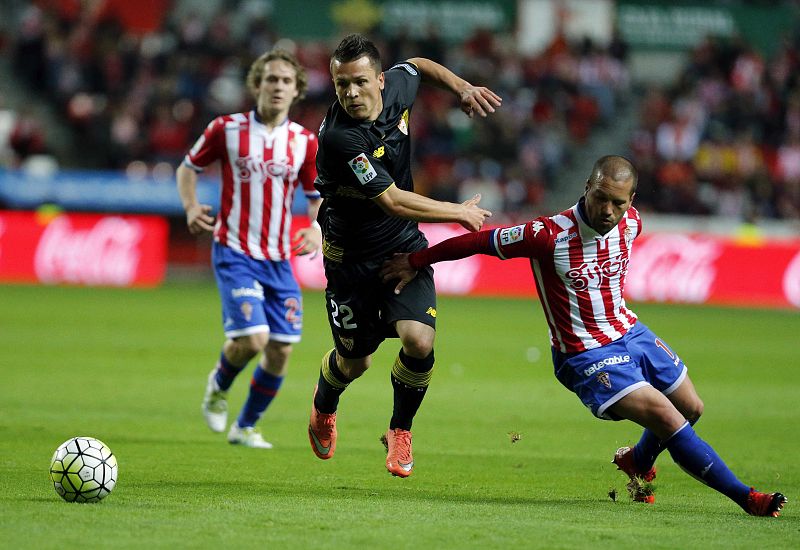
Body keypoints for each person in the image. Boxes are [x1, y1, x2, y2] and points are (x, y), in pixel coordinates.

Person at [380, 155, 787, 516]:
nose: (609, 210)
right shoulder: (546, 235)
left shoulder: (633, 223)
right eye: (601, 198)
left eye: (619, 202)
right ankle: (746, 497)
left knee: (692, 407)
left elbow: (618, 243)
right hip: (584, 353)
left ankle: (638, 461)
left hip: (630, 331)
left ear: (632, 201)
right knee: (668, 416)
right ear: (587, 188)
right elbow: (477, 241)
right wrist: (416, 260)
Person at [307, 33, 501, 477]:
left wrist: (462, 88)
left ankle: (399, 430)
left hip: (402, 245)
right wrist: (455, 211)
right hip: (351, 260)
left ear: (379, 78)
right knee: (355, 363)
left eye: (358, 82)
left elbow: (419, 63)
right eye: (341, 85)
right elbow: (391, 199)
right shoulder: (340, 138)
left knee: (419, 339)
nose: (350, 93)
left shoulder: (398, 84)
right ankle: (323, 405)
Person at [176, 48, 322, 449]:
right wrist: (190, 206)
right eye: (271, 79)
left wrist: (315, 228)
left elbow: (316, 193)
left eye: (286, 81)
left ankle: (245, 426)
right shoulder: (226, 129)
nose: (278, 86)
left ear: (297, 91)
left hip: (279, 259)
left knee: (281, 350)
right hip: (234, 249)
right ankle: (218, 386)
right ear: (257, 84)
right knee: (254, 340)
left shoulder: (305, 143)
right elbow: (187, 168)